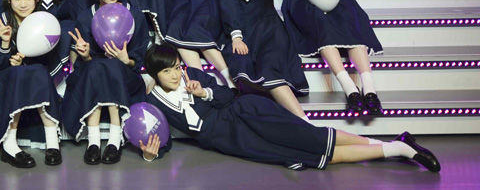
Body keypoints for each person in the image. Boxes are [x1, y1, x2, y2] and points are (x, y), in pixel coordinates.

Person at [140, 43, 440, 173]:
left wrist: (204, 92)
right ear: (155, 74)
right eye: (167, 71)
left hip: (247, 114)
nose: (176, 75)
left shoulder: (193, 76)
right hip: (236, 141)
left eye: (177, 67)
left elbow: (228, 97)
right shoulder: (154, 102)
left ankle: (400, 148)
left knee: (314, 138)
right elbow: (161, 135)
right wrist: (150, 155)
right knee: (312, 157)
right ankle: (397, 145)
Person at [62, 0, 149, 165]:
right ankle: (94, 141)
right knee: (98, 66)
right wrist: (84, 55)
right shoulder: (86, 17)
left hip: (124, 76)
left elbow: (139, 58)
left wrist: (126, 59)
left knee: (111, 66)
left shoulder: (133, 14)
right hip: (92, 74)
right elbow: (84, 64)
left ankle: (114, 139)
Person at [0, 0, 67, 167]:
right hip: (0, 82)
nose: (23, 4)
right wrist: (5, 44)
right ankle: (9, 145)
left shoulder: (43, 20)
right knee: (20, 73)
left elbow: (47, 57)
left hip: (33, 79)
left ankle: (52, 141)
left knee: (39, 71)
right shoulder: (0, 20)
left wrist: (25, 60)